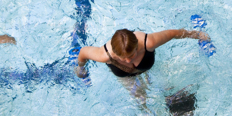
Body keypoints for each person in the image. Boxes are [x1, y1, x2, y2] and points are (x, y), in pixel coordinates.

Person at [75, 27, 210, 79]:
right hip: (127, 78)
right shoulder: (105, 55)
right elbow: (83, 52)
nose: (128, 61)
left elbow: (174, 33)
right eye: (123, 58)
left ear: (137, 47)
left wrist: (199, 34)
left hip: (148, 68)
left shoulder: (148, 42)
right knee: (141, 102)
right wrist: (80, 68)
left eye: (132, 55)